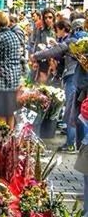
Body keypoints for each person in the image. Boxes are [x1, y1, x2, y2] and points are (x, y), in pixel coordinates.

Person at [32, 18, 83, 151]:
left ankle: (72, 144)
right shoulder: (78, 41)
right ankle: (78, 144)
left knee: (72, 111)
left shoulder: (72, 41)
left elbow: (55, 51)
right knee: (79, 111)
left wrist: (36, 55)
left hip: (73, 78)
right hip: (77, 78)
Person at [0, 11, 23, 128]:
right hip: (14, 78)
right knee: (10, 112)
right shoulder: (14, 35)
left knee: (0, 112)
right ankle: (10, 138)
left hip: (2, 79)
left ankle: (2, 138)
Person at [29, 8, 56, 83]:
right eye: (45, 17)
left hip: (55, 61)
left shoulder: (56, 29)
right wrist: (35, 61)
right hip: (43, 60)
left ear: (53, 18)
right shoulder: (41, 30)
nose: (48, 19)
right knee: (42, 85)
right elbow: (36, 45)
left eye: (50, 17)